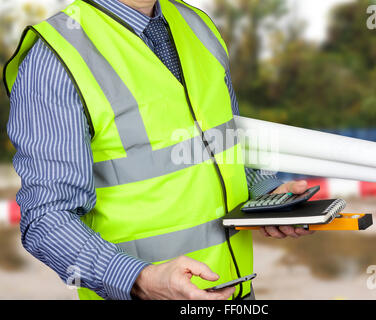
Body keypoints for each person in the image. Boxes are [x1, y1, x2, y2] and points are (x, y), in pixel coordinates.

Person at [4, 0, 313, 300]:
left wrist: (267, 199)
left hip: (238, 292)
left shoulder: (197, 25)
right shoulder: (54, 60)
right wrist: (140, 280)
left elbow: (221, 149)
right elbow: (46, 219)